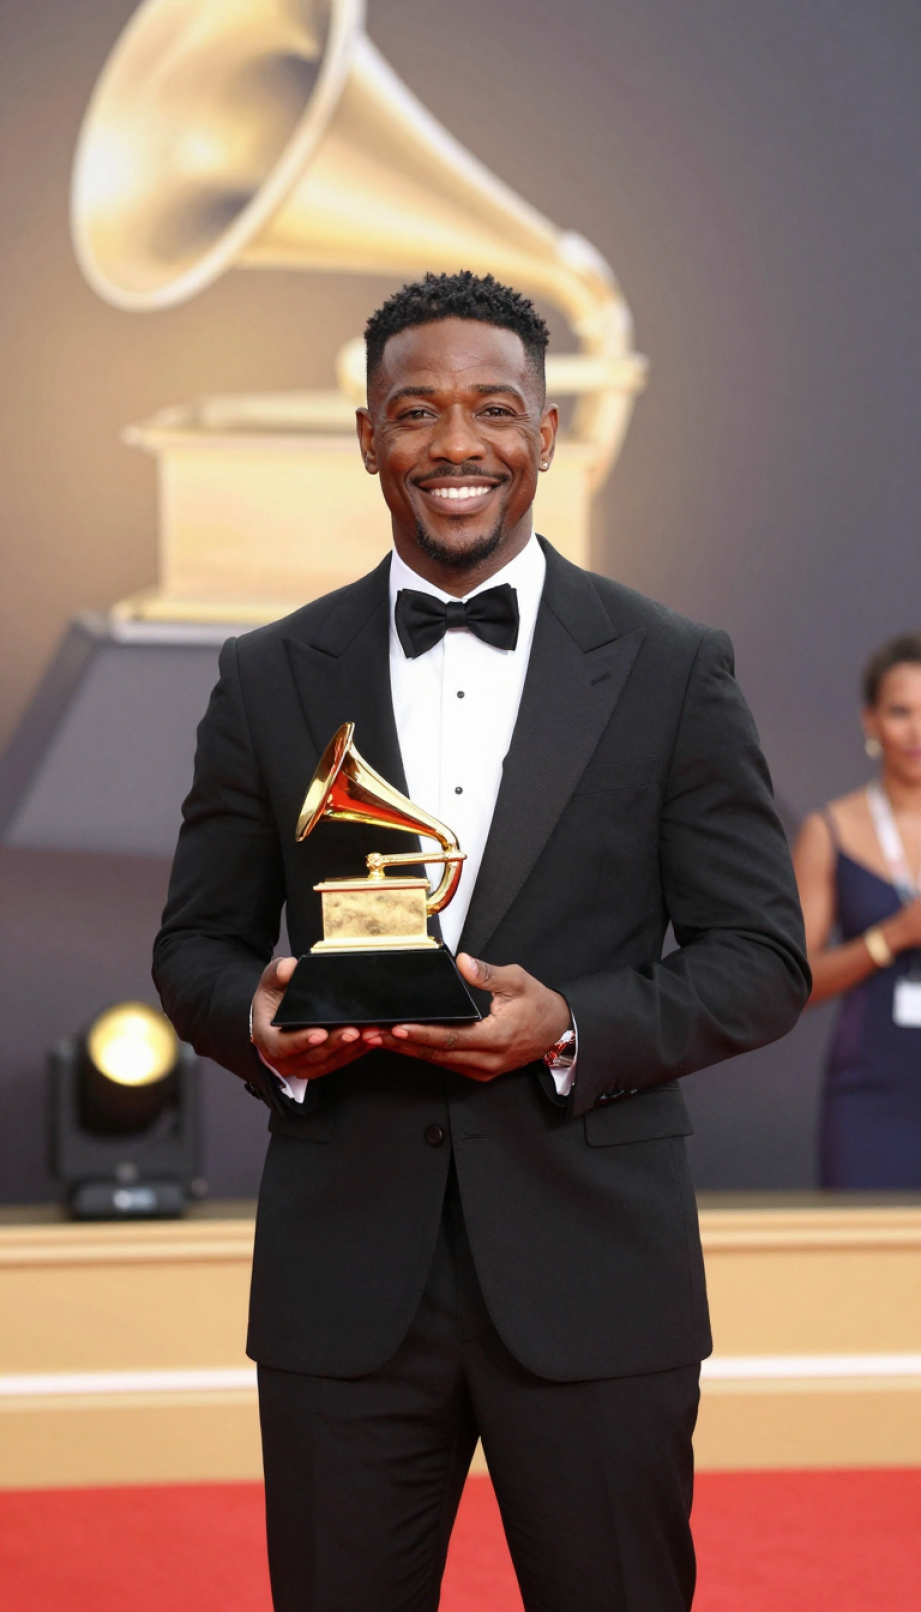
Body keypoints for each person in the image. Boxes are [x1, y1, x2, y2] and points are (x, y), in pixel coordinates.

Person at [153, 271, 809, 1612]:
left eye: (492, 409)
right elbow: (197, 947)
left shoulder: (673, 664)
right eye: (417, 412)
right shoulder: (266, 672)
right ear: (366, 438)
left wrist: (568, 1027)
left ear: (549, 433)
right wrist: (259, 1026)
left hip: (595, 1270)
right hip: (344, 1280)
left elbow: (760, 956)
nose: (457, 444)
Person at [793, 634, 921, 1190]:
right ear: (871, 721)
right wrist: (892, 936)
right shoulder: (831, 829)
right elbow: (792, 981)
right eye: (900, 712)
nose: (916, 731)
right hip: (871, 1094)